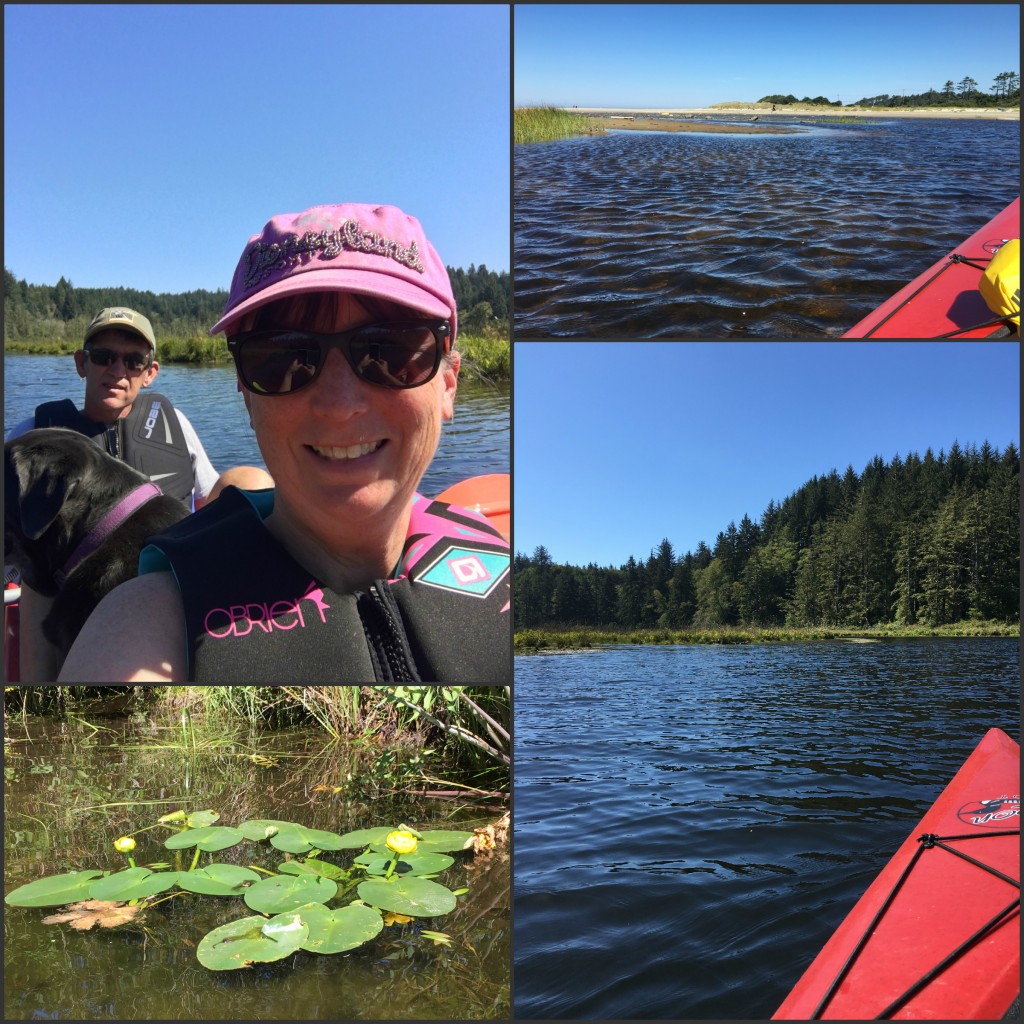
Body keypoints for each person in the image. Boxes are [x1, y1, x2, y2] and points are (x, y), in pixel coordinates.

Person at [59, 203, 510, 683]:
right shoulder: (152, 621)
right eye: (282, 358)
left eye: (391, 353)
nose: (339, 405)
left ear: (448, 384)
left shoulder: (501, 560)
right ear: (247, 394)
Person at [5, 306, 273, 682]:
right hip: (70, 587)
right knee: (34, 576)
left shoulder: (174, 423)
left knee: (250, 479)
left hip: (168, 567)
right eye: (103, 357)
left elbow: (211, 497)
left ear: (150, 373)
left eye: (133, 361)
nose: (117, 370)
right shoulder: (33, 436)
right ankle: (38, 695)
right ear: (82, 363)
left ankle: (263, 623)